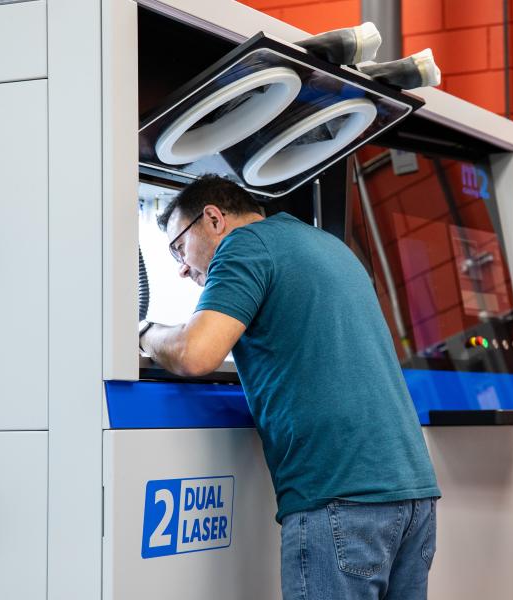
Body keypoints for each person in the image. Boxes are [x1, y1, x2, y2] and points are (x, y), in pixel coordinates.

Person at [139, 174, 440, 600]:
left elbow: (196, 354)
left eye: (179, 248)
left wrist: (145, 332)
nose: (183, 267)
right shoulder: (326, 245)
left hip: (340, 496)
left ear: (213, 219)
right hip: (413, 496)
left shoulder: (243, 247)